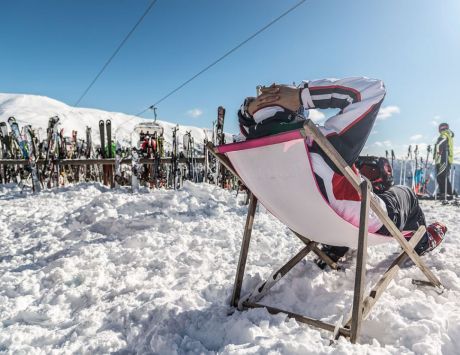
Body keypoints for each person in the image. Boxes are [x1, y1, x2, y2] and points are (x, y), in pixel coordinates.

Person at [238, 77, 447, 263]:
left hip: (310, 225)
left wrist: (250, 108)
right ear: (292, 108)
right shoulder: (319, 141)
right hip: (361, 225)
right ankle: (421, 242)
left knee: (345, 184)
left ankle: (336, 246)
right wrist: (301, 95)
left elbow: (249, 124)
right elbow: (373, 90)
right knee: (406, 194)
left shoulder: (249, 150)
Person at [434, 122, 455, 197]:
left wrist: (437, 152)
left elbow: (440, 144)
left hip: (443, 159)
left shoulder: (444, 135)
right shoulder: (447, 135)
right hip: (444, 159)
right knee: (442, 176)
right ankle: (444, 192)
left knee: (442, 176)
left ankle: (447, 193)